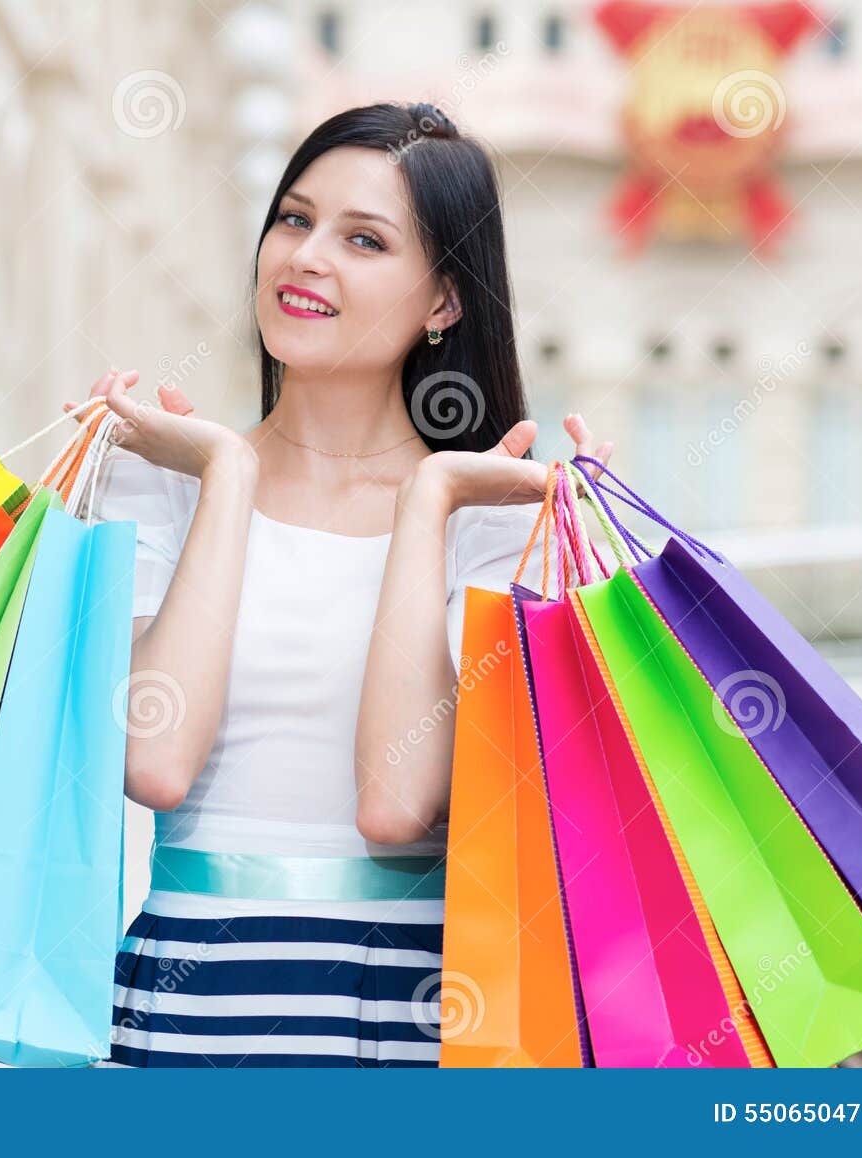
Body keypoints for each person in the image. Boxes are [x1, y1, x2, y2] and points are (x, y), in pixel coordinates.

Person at [77, 102, 613, 1067]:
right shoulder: (161, 475)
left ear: (443, 302)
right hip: (186, 1000)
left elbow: (396, 805)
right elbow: (153, 763)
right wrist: (227, 478)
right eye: (293, 218)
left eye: (363, 239)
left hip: (419, 1013)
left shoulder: (497, 525)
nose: (306, 256)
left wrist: (432, 498)